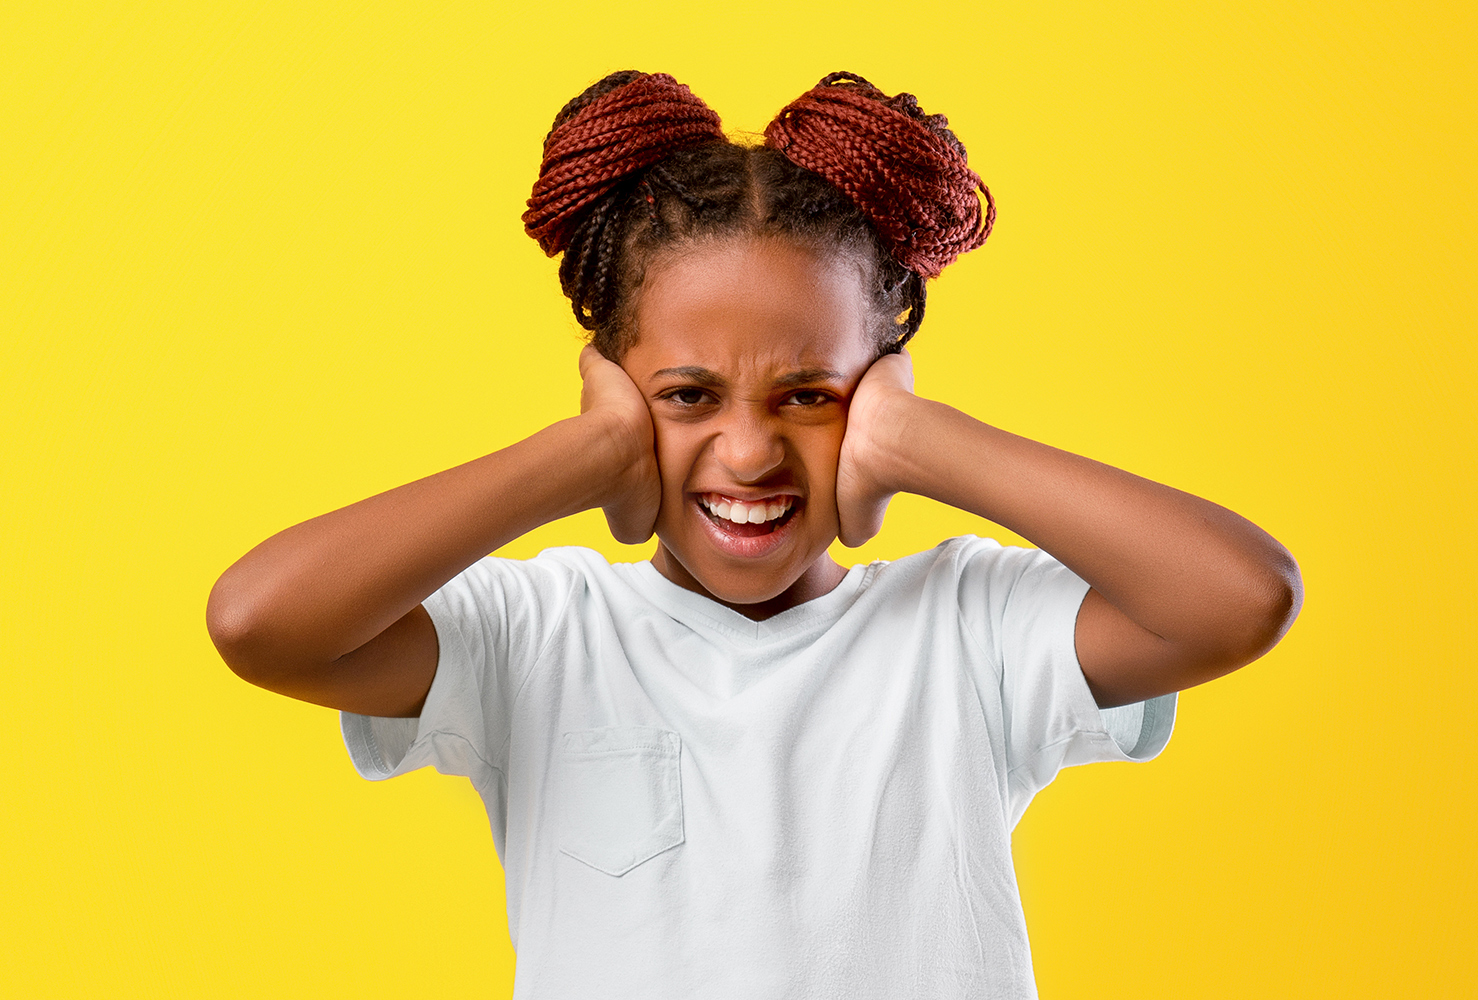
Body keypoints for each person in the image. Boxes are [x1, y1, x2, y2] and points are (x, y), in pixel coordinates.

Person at [206, 71, 1302, 998]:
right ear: (614, 392)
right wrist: (582, 459)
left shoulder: (969, 630)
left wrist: (923, 444)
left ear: (878, 389)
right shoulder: (537, 637)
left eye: (810, 395)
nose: (747, 453)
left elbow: (1241, 596)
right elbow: (260, 622)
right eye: (686, 396)